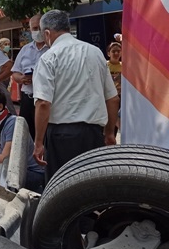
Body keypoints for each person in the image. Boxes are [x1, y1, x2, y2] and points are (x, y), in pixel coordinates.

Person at [33, 10, 119, 182]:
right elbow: (113, 98)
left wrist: (38, 142)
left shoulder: (49, 58)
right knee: (92, 187)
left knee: (63, 189)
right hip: (94, 135)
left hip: (61, 136)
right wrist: (109, 133)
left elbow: (43, 103)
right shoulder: (95, 53)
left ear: (47, 33)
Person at [11, 13, 49, 140]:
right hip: (28, 97)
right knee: (26, 134)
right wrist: (21, 79)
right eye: (34, 28)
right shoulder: (25, 50)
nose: (37, 32)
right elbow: (15, 72)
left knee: (45, 134)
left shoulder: (52, 49)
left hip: (46, 98)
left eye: (39, 28)